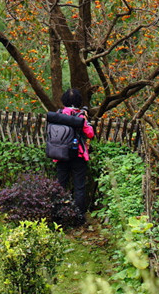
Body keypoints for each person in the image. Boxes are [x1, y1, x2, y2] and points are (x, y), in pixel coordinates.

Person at [55, 88, 94, 224]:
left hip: (60, 154)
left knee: (60, 185)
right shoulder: (80, 116)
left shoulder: (58, 114)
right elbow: (90, 134)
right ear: (78, 101)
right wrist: (86, 119)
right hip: (78, 154)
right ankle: (79, 217)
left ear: (64, 100)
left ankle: (57, 215)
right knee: (79, 186)